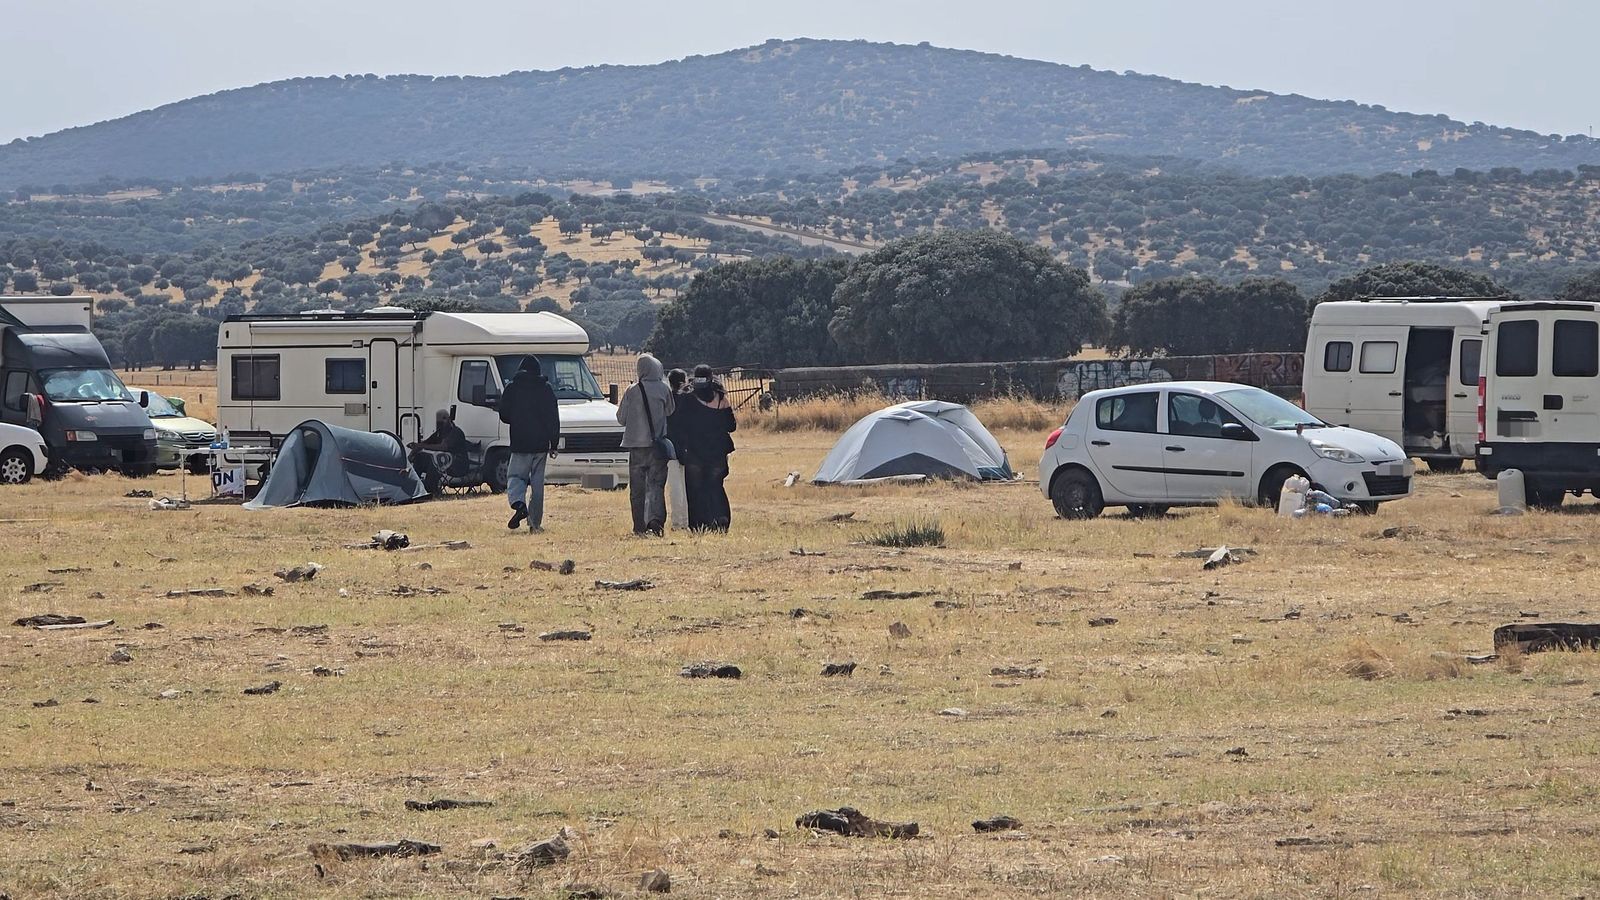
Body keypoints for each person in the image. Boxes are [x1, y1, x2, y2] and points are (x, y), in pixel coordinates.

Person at [499, 356, 561, 532]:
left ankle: (519, 505)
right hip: (541, 444)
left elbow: (503, 414)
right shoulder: (546, 389)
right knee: (537, 484)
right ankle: (535, 524)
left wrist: (516, 419)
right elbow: (553, 418)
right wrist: (553, 443)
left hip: (520, 442)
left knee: (516, 477)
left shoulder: (512, 387)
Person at [616, 354, 675, 535]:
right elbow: (670, 411)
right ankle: (656, 521)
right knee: (656, 485)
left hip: (635, 446)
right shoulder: (664, 389)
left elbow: (621, 419)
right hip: (656, 446)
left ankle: (639, 526)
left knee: (637, 489)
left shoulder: (632, 390)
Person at [675, 364, 737, 531]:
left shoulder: (688, 398)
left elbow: (680, 425)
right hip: (717, 452)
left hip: (695, 452)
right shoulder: (721, 399)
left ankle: (699, 524)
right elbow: (731, 426)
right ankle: (721, 518)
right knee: (715, 486)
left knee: (695, 489)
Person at [408, 409, 468, 496]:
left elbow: (443, 447)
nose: (440, 423)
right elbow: (426, 443)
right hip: (445, 464)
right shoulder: (440, 432)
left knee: (436, 460)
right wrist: (414, 450)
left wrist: (421, 446)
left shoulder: (456, 432)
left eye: (443, 420)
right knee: (420, 457)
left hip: (458, 465)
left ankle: (430, 489)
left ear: (449, 420)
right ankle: (415, 485)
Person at [665, 368, 691, 531]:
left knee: (675, 486)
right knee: (687, 485)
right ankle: (687, 521)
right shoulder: (690, 400)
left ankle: (677, 522)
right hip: (688, 446)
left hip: (671, 446)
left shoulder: (667, 400)